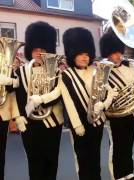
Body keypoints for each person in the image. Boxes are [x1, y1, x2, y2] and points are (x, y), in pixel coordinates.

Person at [27, 27, 110, 180]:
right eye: (80, 54)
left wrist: (105, 103)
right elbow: (63, 97)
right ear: (73, 55)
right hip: (79, 124)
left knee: (96, 158)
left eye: (86, 54)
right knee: (83, 160)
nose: (84, 58)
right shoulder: (66, 75)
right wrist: (40, 99)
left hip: (98, 122)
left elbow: (106, 91)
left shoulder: (96, 70)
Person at [1, 21, 63, 180]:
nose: (38, 52)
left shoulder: (56, 70)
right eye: (35, 49)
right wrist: (18, 117)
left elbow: (59, 92)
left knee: (51, 161)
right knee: (34, 162)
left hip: (52, 121)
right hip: (29, 124)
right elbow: (14, 96)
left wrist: (41, 99)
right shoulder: (20, 71)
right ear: (30, 50)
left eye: (42, 49)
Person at [98, 29, 134, 180]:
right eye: (114, 52)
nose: (118, 55)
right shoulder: (103, 70)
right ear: (107, 53)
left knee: (128, 144)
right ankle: (118, 175)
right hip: (114, 114)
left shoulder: (130, 67)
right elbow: (100, 93)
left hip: (131, 112)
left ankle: (128, 172)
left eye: (119, 51)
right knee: (116, 145)